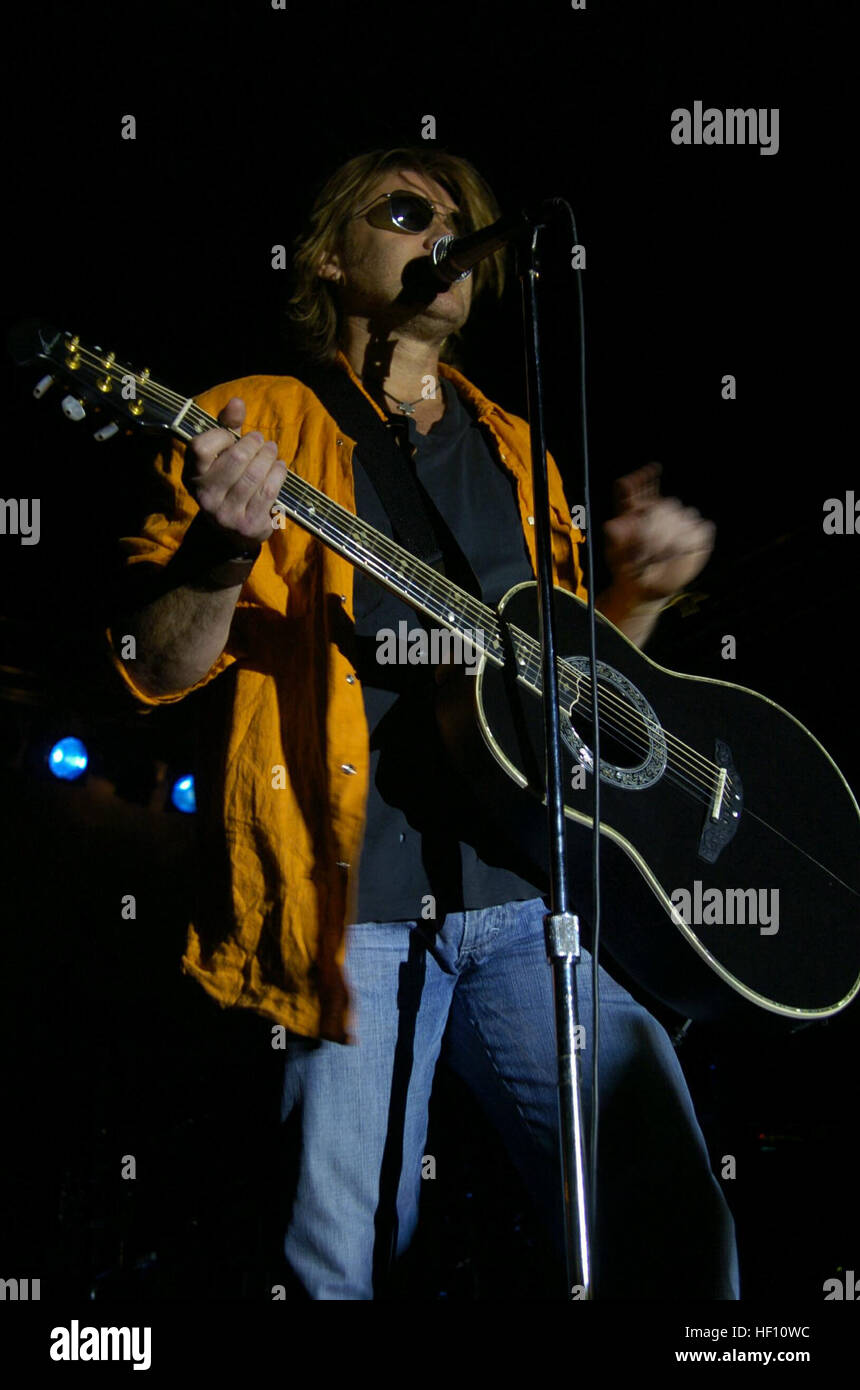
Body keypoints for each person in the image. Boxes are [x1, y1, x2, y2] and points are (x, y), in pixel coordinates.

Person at [107, 145, 739, 1300]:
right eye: (404, 213)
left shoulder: (515, 449)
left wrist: (632, 600)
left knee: (666, 1218)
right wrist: (221, 545)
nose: (443, 237)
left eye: (464, 223)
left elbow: (577, 697)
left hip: (524, 899)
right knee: (337, 1259)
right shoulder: (261, 419)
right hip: (350, 906)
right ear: (329, 257)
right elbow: (153, 663)